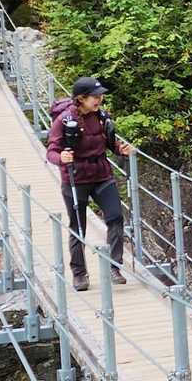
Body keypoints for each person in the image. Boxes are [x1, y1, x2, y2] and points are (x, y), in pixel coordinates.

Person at [49, 76, 136, 290]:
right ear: (81, 98)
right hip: (75, 178)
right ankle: (79, 274)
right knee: (78, 226)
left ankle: (114, 267)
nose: (99, 99)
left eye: (100, 96)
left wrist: (121, 149)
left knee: (115, 217)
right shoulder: (64, 120)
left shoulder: (102, 117)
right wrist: (61, 158)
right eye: (95, 96)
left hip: (101, 175)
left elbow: (110, 143)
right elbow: (51, 151)